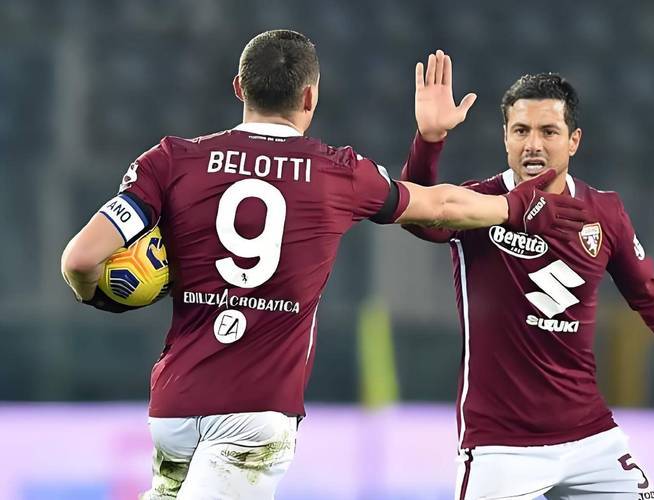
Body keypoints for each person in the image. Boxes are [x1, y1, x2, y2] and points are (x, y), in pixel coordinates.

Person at [60, 31, 588, 499]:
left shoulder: (171, 159)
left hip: (174, 405)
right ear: (310, 96)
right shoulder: (339, 172)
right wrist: (520, 205)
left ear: (239, 88)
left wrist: (101, 294)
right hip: (255, 413)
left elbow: (81, 259)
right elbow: (440, 206)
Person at [401, 51, 654, 499]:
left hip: (591, 437)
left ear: (574, 141)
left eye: (549, 131)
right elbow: (417, 217)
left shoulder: (604, 212)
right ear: (505, 137)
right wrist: (429, 140)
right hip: (500, 445)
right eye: (521, 131)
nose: (533, 144)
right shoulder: (479, 205)